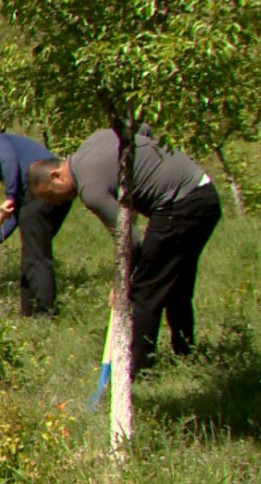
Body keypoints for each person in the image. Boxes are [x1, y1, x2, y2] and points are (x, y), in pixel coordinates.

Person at [27, 127, 221, 374]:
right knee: (175, 283)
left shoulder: (90, 189)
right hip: (204, 193)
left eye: (52, 196)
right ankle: (186, 355)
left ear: (57, 176)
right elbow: (143, 128)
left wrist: (122, 283)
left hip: (180, 206)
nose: (58, 202)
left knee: (143, 293)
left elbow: (131, 241)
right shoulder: (95, 138)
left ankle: (138, 371)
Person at [0, 133, 73, 317]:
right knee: (33, 250)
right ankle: (28, 311)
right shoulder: (19, 182)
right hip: (53, 190)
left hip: (45, 185)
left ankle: (44, 311)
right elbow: (14, 218)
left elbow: (8, 159)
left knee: (36, 254)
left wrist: (9, 196)